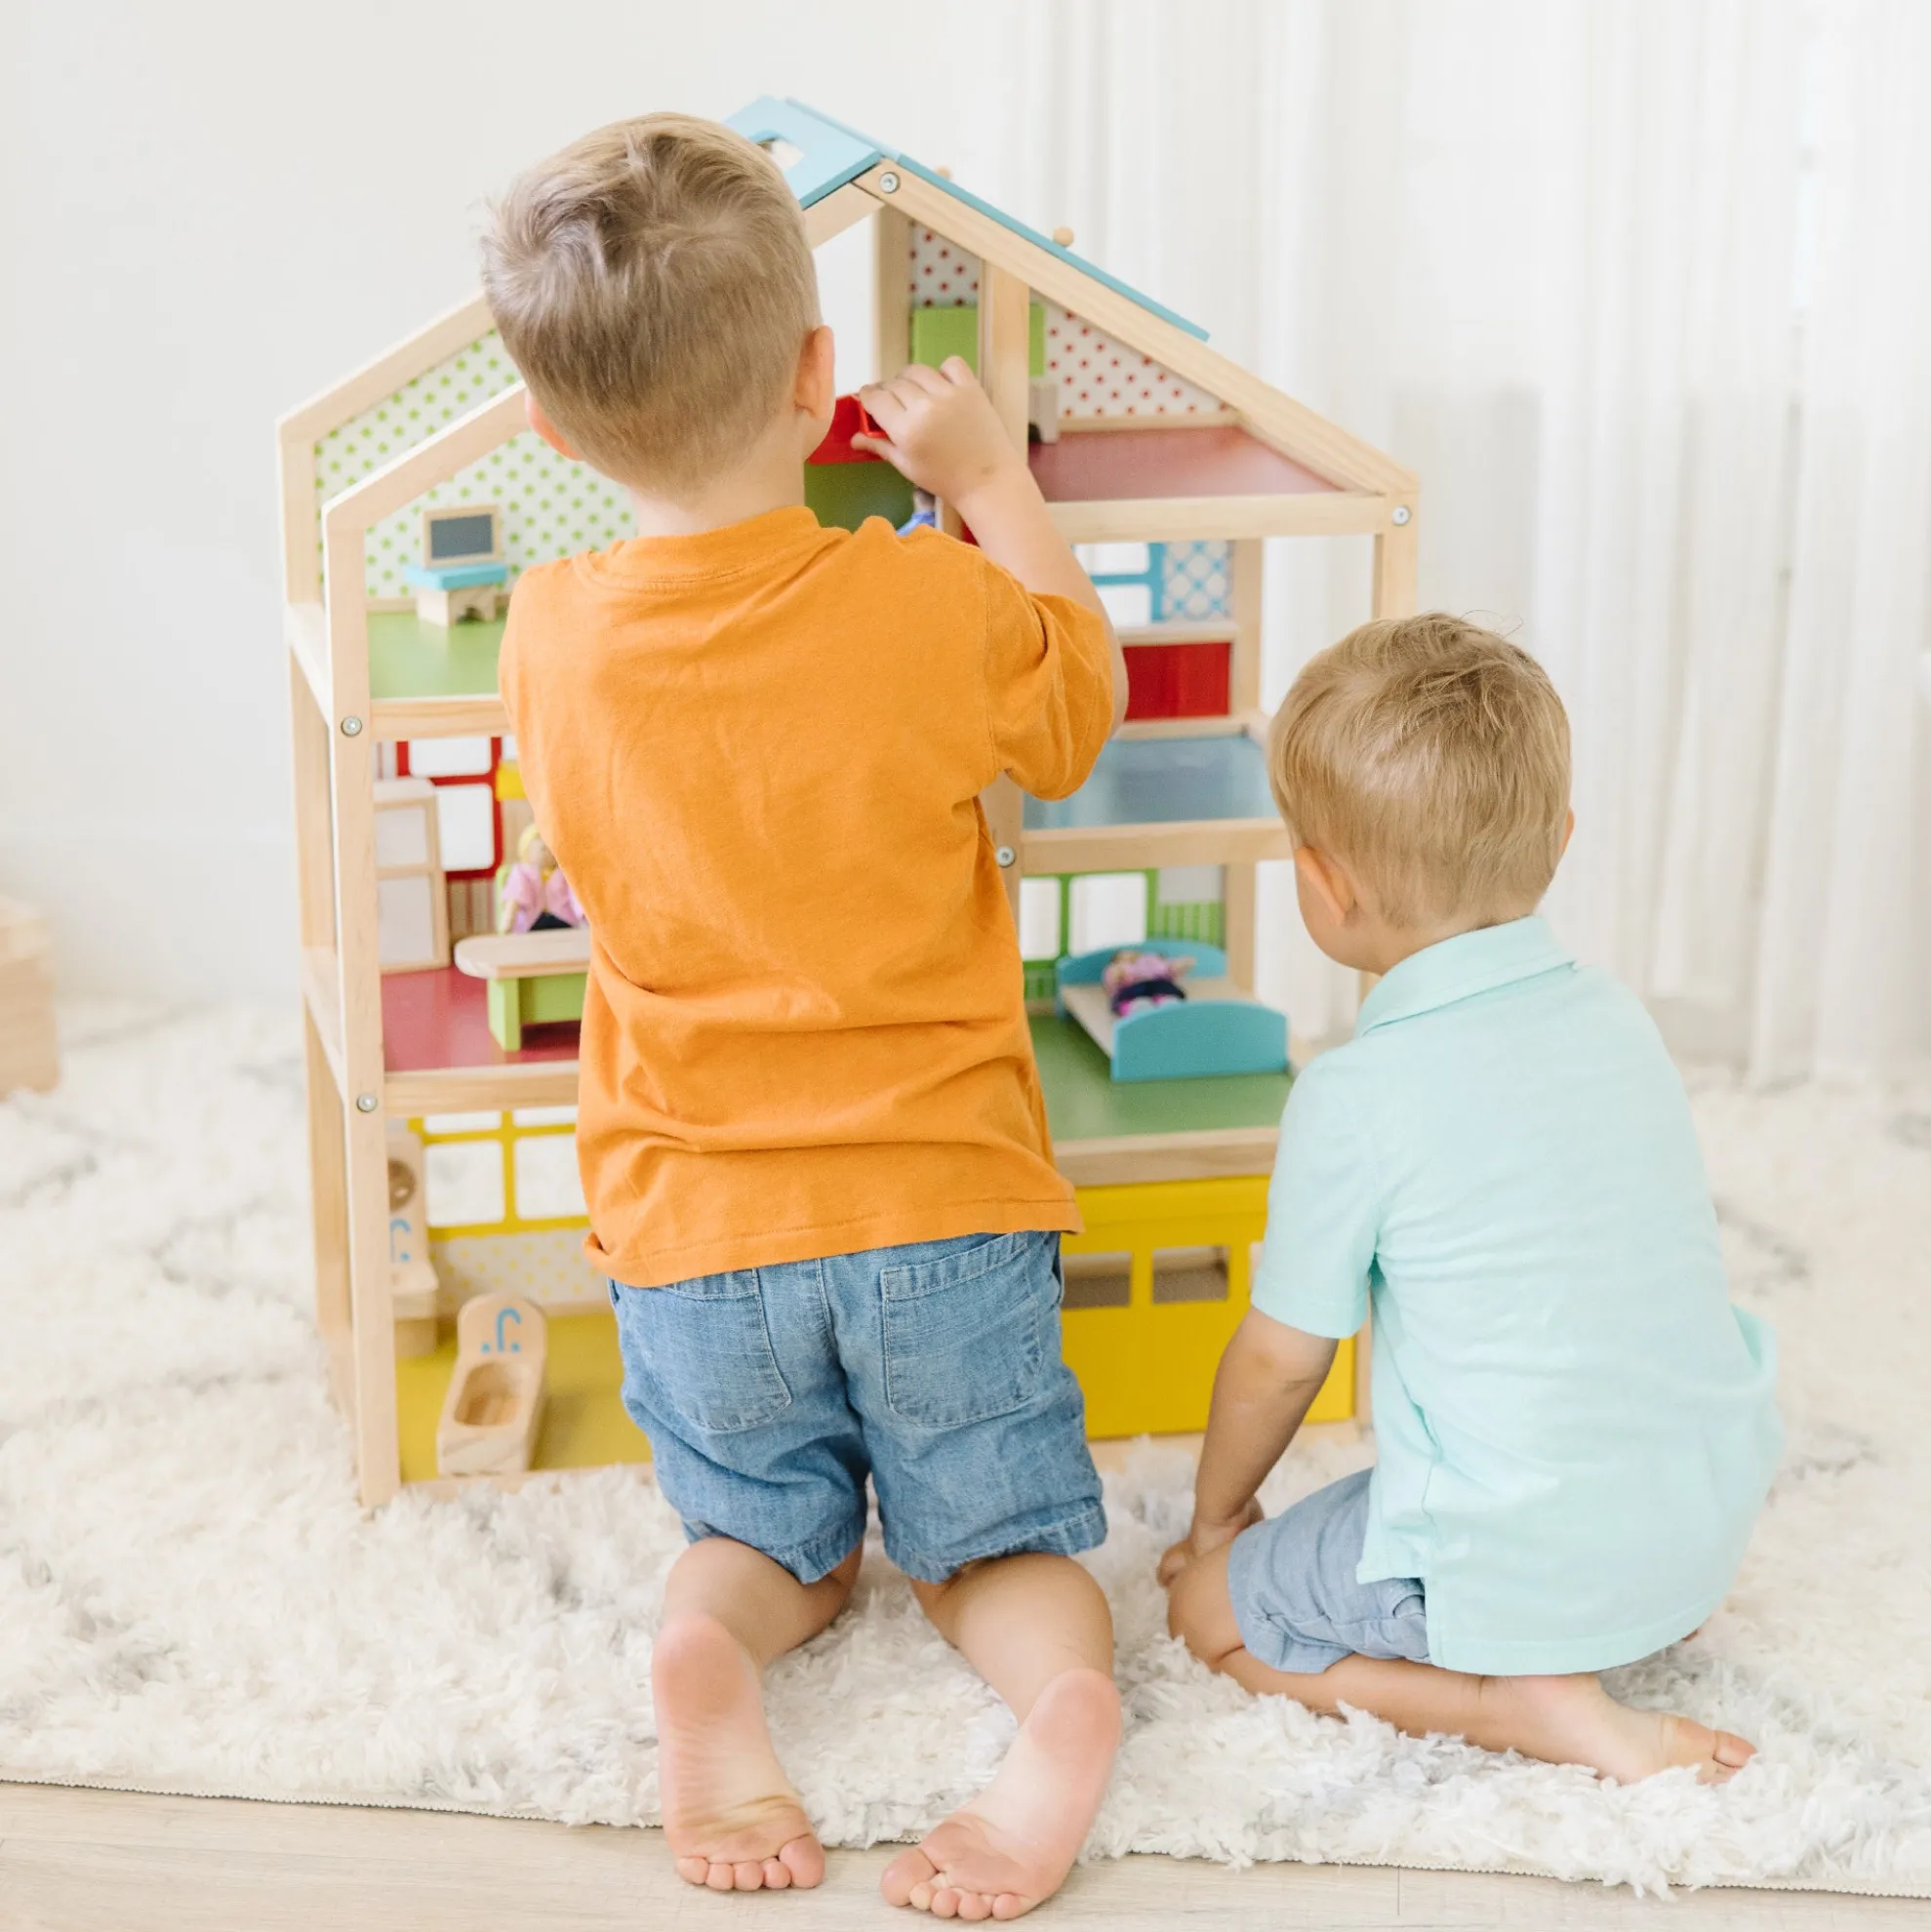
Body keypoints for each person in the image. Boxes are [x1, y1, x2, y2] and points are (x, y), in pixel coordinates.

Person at [481, 114, 1131, 1916]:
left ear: (549, 431)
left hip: (698, 1227)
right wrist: (993, 485)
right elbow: (1077, 708)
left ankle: (713, 1645)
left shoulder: (547, 634)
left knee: (771, 1542)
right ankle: (1059, 1701)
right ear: (817, 377)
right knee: (987, 1551)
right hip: (942, 1205)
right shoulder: (924, 596)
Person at [1160, 614, 1783, 1785]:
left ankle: (1516, 1703)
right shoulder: (1619, 1017)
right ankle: (1584, 1635)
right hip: (1698, 1534)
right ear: (1562, 838)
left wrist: (1215, 1526)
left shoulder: (1354, 1095)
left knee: (1209, 1616)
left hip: (1528, 1571)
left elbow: (1280, 1362)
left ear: (1321, 883)